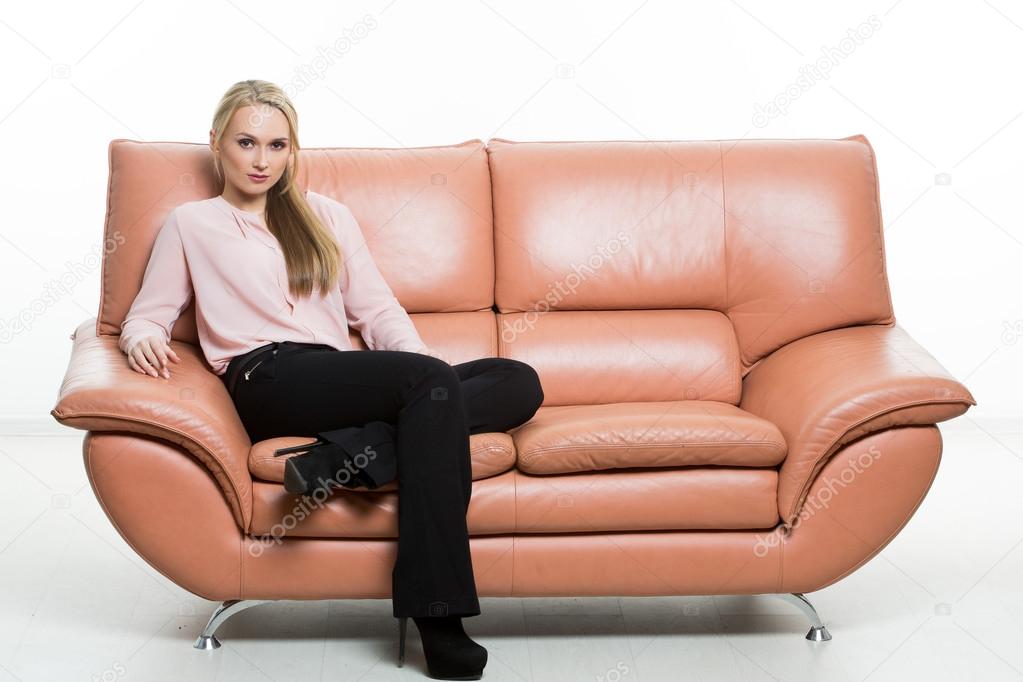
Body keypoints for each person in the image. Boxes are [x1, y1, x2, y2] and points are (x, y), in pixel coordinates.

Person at [118, 79, 544, 680]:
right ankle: (438, 615)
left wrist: (430, 378)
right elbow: (148, 314)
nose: (262, 160)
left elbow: (377, 311)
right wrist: (142, 340)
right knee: (432, 387)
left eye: (277, 145)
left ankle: (339, 458)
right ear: (217, 144)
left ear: (293, 150)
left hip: (337, 375)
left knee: (518, 379)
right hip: (266, 375)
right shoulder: (192, 223)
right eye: (247, 142)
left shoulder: (327, 217)